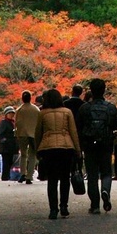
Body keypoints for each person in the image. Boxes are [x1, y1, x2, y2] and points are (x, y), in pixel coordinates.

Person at [35, 88, 81, 220]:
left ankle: (53, 209)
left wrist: (38, 148)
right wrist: (77, 150)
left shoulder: (42, 114)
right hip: (65, 148)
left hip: (48, 148)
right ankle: (64, 206)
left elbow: (38, 133)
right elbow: (73, 132)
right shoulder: (67, 112)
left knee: (52, 180)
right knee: (65, 178)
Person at [77, 77, 117, 214]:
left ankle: (95, 205)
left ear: (91, 90)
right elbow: (116, 125)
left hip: (89, 144)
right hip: (106, 143)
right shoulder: (111, 108)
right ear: (104, 90)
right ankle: (105, 190)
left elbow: (79, 126)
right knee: (107, 172)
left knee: (92, 174)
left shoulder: (84, 108)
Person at [15, 90, 41, 183]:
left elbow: (16, 123)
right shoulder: (36, 109)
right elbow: (39, 123)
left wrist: (17, 134)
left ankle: (22, 173)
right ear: (30, 98)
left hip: (22, 134)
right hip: (33, 134)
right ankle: (29, 176)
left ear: (22, 99)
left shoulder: (19, 110)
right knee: (32, 155)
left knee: (23, 155)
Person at [0, 106, 19, 181]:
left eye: (12, 113)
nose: (12, 115)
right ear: (6, 114)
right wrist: (5, 140)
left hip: (12, 147)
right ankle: (5, 177)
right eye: (10, 113)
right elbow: (0, 134)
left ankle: (8, 177)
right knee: (6, 163)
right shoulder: (4, 123)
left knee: (10, 162)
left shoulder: (14, 123)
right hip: (6, 147)